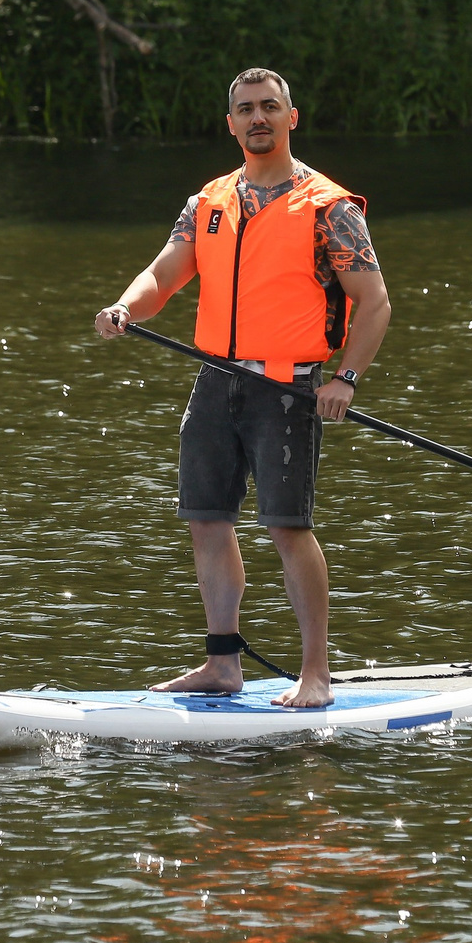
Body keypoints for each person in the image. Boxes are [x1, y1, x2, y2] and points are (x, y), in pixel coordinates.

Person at [92, 68, 392, 708]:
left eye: (270, 107)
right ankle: (222, 664)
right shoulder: (207, 203)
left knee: (287, 529)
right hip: (216, 383)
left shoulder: (328, 208)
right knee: (207, 520)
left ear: (291, 118)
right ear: (230, 124)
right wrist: (125, 307)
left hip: (288, 389)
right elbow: (163, 274)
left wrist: (346, 378)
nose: (258, 118)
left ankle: (316, 673)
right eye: (246, 110)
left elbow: (374, 303)